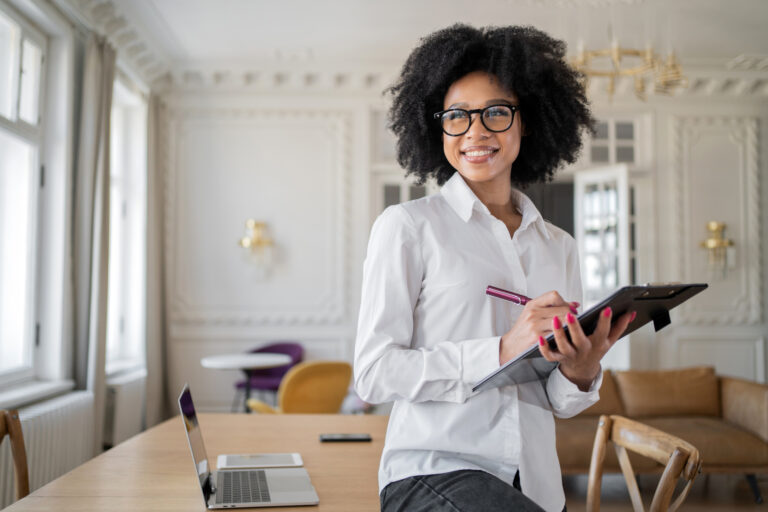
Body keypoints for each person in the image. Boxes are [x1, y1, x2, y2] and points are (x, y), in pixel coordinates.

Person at [353, 24, 635, 512]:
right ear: (437, 127)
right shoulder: (407, 227)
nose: (476, 132)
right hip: (432, 469)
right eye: (457, 116)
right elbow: (374, 374)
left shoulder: (559, 247)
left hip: (537, 488)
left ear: (527, 123)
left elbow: (557, 402)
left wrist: (581, 371)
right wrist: (502, 349)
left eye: (496, 113)